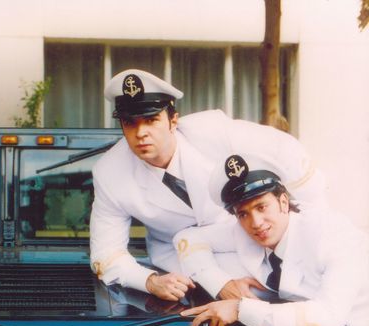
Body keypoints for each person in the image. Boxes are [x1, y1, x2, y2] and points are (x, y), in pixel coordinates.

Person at [89, 68, 326, 301]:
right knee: (249, 303)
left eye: (151, 120)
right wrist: (150, 281)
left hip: (250, 233)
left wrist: (303, 224)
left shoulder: (212, 131)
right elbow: (106, 253)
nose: (141, 132)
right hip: (181, 260)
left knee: (311, 289)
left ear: (173, 121)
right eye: (130, 123)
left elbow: (289, 153)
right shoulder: (110, 173)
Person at [175, 154, 369, 326]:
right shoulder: (252, 232)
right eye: (243, 213)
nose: (256, 222)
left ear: (283, 202)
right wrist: (222, 284)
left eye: (261, 206)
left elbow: (328, 320)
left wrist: (239, 308)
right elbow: (186, 239)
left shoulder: (332, 236)